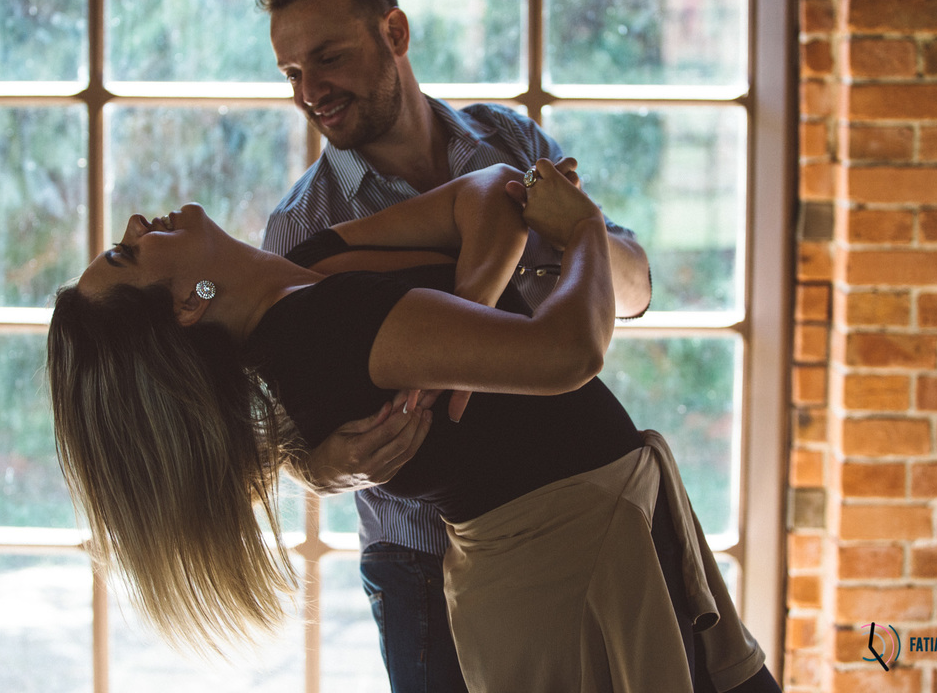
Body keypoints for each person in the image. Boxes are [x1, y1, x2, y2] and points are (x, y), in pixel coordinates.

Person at [48, 163, 781, 692]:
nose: (137, 226)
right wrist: (584, 229)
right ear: (184, 305)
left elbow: (490, 191)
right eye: (127, 253)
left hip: (592, 545)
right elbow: (568, 352)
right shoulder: (319, 330)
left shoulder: (306, 270)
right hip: (566, 576)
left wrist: (470, 309)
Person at [256, 0, 652, 693]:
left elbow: (630, 290)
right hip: (423, 567)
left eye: (328, 58)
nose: (310, 91)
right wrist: (320, 466)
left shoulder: (511, 141)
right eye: (290, 75)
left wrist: (585, 228)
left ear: (395, 33)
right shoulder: (302, 230)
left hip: (577, 522)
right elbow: (270, 430)